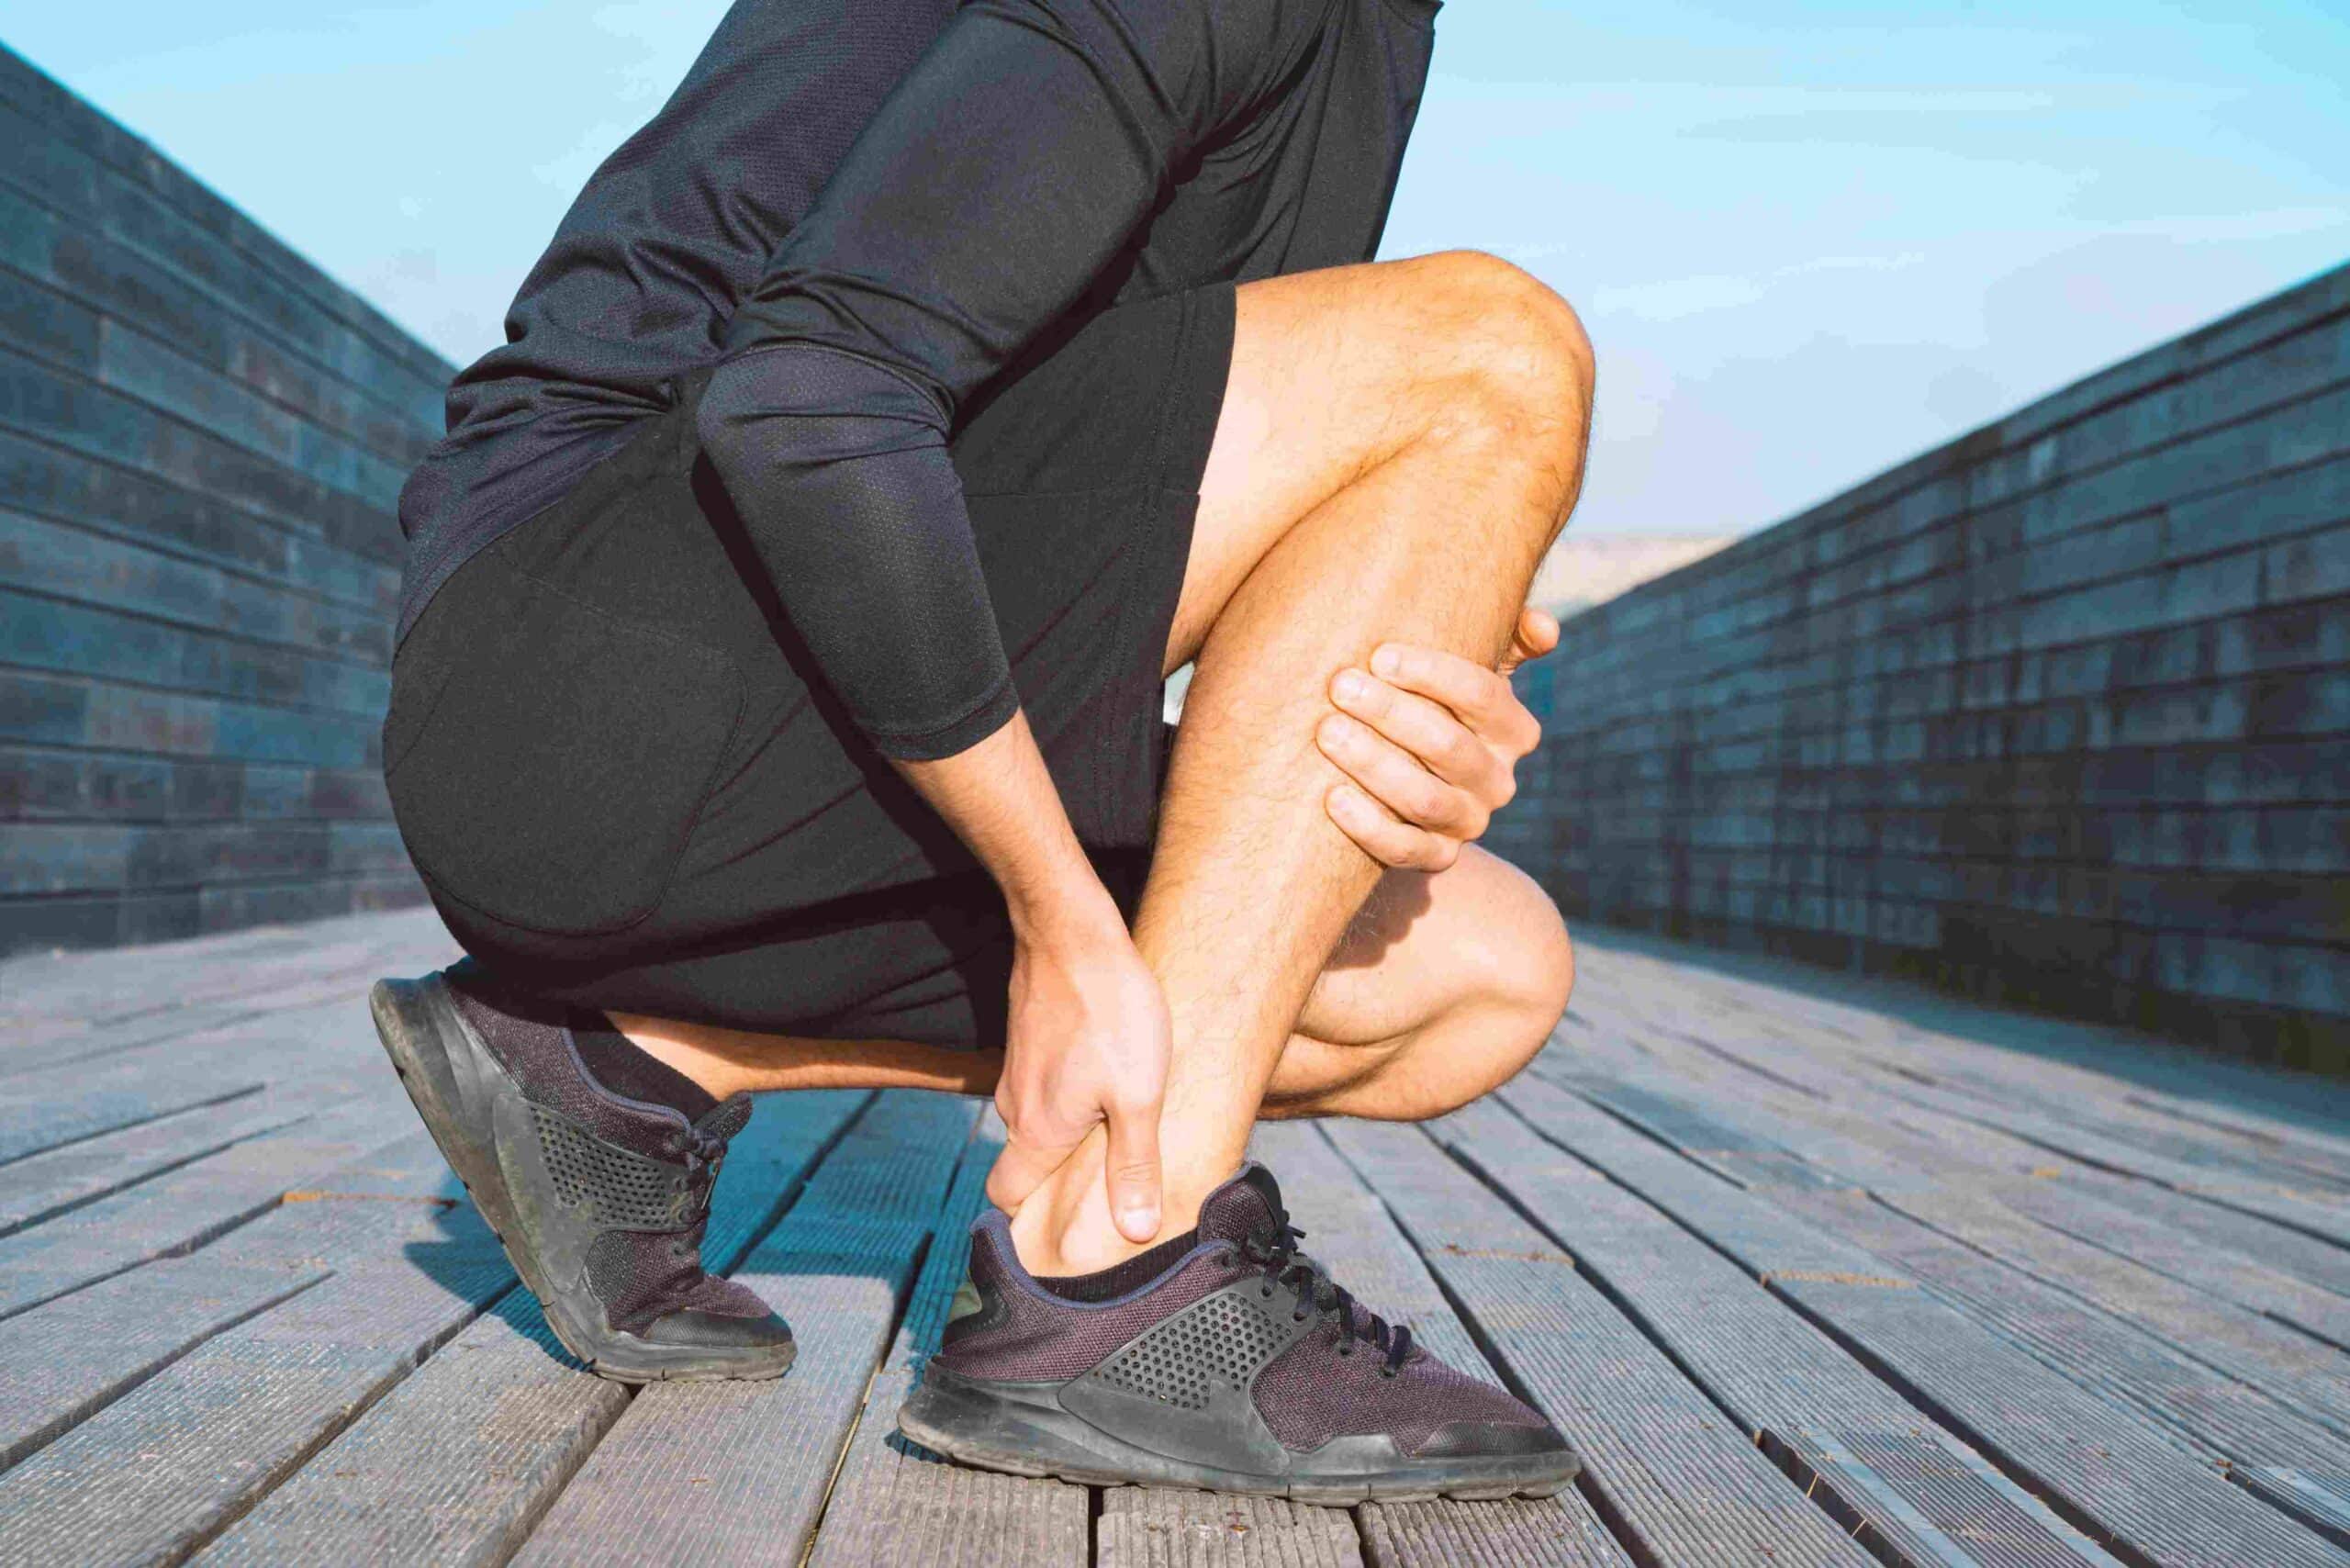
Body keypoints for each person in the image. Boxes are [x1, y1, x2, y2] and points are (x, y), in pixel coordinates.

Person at [372, 0, 1594, 1500]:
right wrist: (1054, 905)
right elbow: (814, 400)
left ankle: (624, 1062)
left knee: (1476, 966)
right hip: (579, 662)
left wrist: (1414, 701)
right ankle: (1116, 1277)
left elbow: (1130, 509)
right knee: (1490, 352)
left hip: (718, 709)